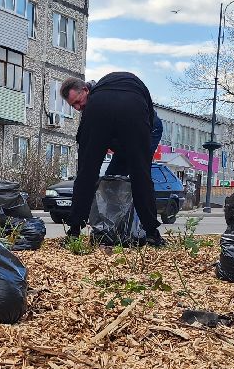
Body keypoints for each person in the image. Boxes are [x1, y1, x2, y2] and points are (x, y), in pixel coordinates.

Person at [60, 73, 162, 246]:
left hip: (107, 109)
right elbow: (148, 114)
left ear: (85, 90)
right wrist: (137, 148)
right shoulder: (115, 86)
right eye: (73, 106)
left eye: (78, 102)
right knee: (141, 174)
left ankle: (74, 232)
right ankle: (152, 233)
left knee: (86, 173)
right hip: (135, 108)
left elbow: (87, 149)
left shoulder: (95, 101)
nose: (78, 108)